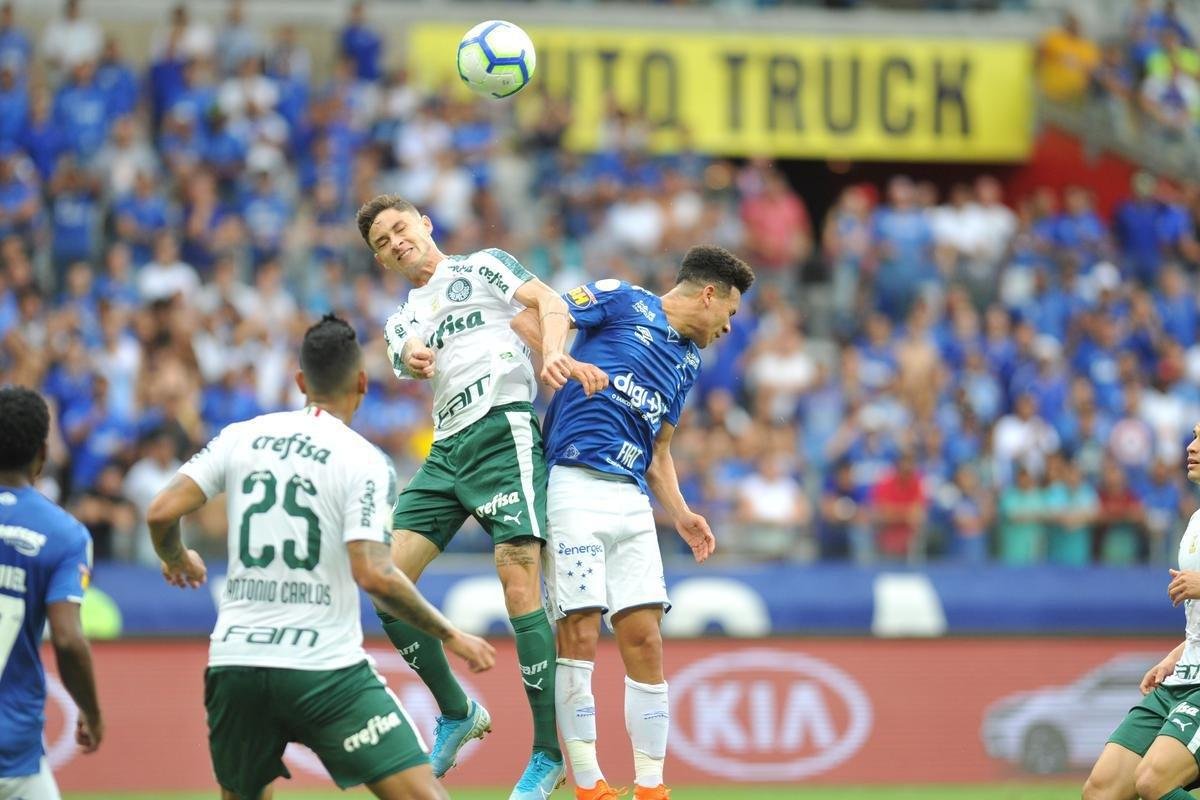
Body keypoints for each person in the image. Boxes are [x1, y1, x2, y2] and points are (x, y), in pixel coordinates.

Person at [146, 314, 496, 800]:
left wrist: (177, 556)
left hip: (237, 660)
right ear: (362, 383)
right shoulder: (364, 459)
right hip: (323, 667)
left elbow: (161, 511)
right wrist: (450, 634)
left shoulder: (242, 436)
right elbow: (373, 573)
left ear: (299, 382)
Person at [356, 194, 605, 799]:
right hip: (446, 452)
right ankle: (456, 711)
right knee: (382, 579)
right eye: (382, 243)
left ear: (424, 223)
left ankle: (546, 756)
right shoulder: (400, 320)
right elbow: (405, 358)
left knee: (517, 575)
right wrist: (412, 360)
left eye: (399, 228)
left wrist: (553, 355)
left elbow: (548, 301)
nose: (395, 242)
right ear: (382, 261)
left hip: (503, 430)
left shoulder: (481, 266)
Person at [513, 246, 755, 800]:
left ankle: (651, 787)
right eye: (731, 314)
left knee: (644, 638)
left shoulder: (687, 362)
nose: (728, 327)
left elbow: (660, 449)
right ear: (710, 294)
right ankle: (589, 783)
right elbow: (531, 314)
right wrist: (562, 359)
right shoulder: (622, 299)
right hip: (573, 482)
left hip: (632, 500)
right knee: (578, 630)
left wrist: (682, 512)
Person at [1083, 421, 1200, 800]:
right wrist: (1173, 657)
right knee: (1101, 791)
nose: (1191, 447)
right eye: (1194, 436)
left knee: (1153, 782)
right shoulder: (1196, 520)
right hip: (1183, 677)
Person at [0, 386, 103, 798]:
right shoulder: (63, 534)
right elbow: (67, 638)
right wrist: (91, 711)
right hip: (12, 753)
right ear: (43, 454)